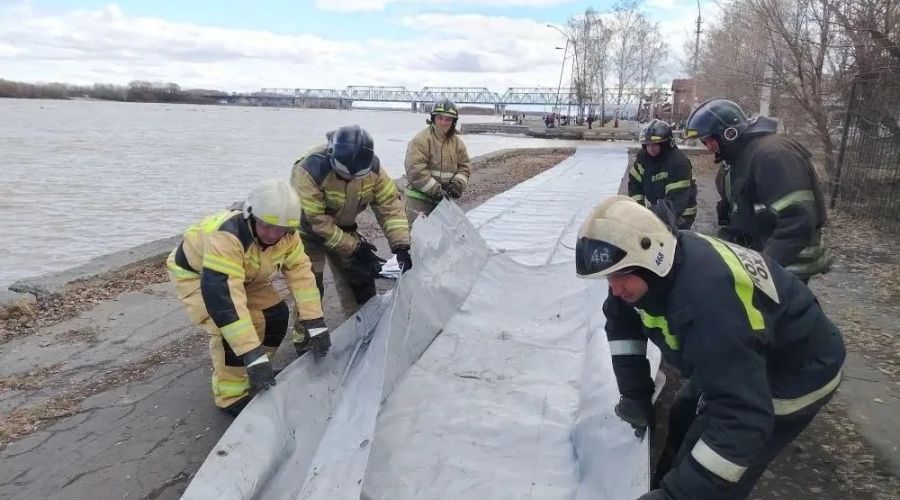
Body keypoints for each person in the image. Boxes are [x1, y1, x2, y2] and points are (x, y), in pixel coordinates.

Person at [575, 196, 845, 500]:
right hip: (747, 351)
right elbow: (622, 325)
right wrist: (635, 394)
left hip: (797, 373)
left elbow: (742, 422)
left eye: (620, 276)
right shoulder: (648, 269)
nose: (614, 289)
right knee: (683, 416)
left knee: (725, 468)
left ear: (653, 259)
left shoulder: (708, 308)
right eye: (608, 278)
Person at [167, 180, 329, 416]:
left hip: (245, 276)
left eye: (281, 229)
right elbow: (225, 302)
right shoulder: (228, 236)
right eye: (267, 226)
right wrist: (250, 352)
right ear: (251, 215)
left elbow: (302, 275)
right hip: (200, 275)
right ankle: (230, 394)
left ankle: (255, 370)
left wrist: (315, 322)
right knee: (231, 332)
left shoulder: (287, 234)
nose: (273, 235)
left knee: (275, 316)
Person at [684, 98, 832, 282]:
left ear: (728, 133)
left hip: (787, 263)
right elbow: (741, 216)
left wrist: (764, 269)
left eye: (708, 140)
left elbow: (797, 220)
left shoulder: (773, 155)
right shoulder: (736, 161)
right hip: (763, 253)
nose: (707, 148)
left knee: (776, 310)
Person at [291, 124, 412, 317]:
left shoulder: (373, 169)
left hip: (344, 228)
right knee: (310, 290)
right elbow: (316, 222)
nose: (350, 178)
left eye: (356, 175)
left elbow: (390, 206)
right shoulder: (310, 170)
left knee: (361, 282)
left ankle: (362, 329)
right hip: (309, 233)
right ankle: (306, 339)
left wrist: (401, 246)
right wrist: (355, 247)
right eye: (345, 174)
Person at [404, 98, 472, 222]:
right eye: (440, 118)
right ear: (433, 118)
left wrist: (457, 184)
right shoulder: (420, 140)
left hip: (444, 201)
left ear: (453, 122)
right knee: (417, 238)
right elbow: (415, 170)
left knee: (444, 238)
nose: (443, 122)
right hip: (419, 199)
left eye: (448, 119)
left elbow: (464, 167)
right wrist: (437, 191)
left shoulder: (458, 143)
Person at [629, 119, 698, 230]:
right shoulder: (643, 158)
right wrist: (639, 208)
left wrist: (650, 217)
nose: (651, 149)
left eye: (655, 144)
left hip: (681, 215)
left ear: (665, 144)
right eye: (647, 144)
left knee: (672, 243)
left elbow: (676, 202)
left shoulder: (678, 163)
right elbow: (634, 183)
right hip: (660, 209)